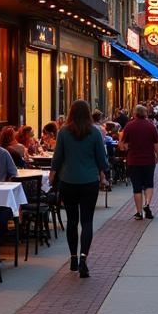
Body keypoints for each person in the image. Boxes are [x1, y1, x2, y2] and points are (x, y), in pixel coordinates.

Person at [49, 100, 109, 277]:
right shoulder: (94, 132)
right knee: (87, 221)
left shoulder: (64, 132)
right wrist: (103, 174)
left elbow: (57, 157)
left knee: (72, 220)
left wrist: (53, 176)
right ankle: (84, 258)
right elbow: (102, 159)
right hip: (89, 181)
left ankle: (73, 258)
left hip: (68, 180)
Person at [119, 104, 158, 219]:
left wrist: (126, 148)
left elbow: (122, 144)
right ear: (145, 113)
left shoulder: (129, 126)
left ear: (134, 113)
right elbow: (157, 143)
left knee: (137, 188)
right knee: (149, 184)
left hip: (134, 160)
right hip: (148, 160)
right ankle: (147, 204)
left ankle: (139, 212)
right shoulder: (151, 126)